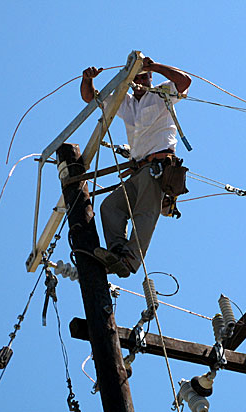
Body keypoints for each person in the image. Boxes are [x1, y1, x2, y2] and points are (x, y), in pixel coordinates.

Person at [80, 57, 191, 277]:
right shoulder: (125, 102)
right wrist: (87, 80)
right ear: (130, 80)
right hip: (139, 169)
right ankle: (117, 251)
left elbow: (184, 81)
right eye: (137, 77)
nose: (141, 81)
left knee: (144, 213)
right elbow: (90, 98)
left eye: (145, 76)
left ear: (150, 78)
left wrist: (155, 66)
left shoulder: (162, 94)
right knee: (111, 207)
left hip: (158, 167)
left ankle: (131, 260)